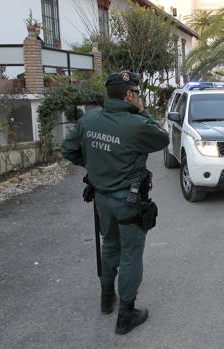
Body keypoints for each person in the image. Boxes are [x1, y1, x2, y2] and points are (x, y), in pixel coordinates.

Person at [61, 72, 169, 334]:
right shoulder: (136, 124)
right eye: (137, 94)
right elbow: (162, 138)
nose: (139, 98)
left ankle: (106, 299)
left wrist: (96, 168)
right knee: (131, 253)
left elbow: (68, 150)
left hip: (101, 197)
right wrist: (141, 112)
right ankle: (126, 316)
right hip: (128, 200)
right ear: (129, 95)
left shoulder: (89, 119)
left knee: (109, 245)